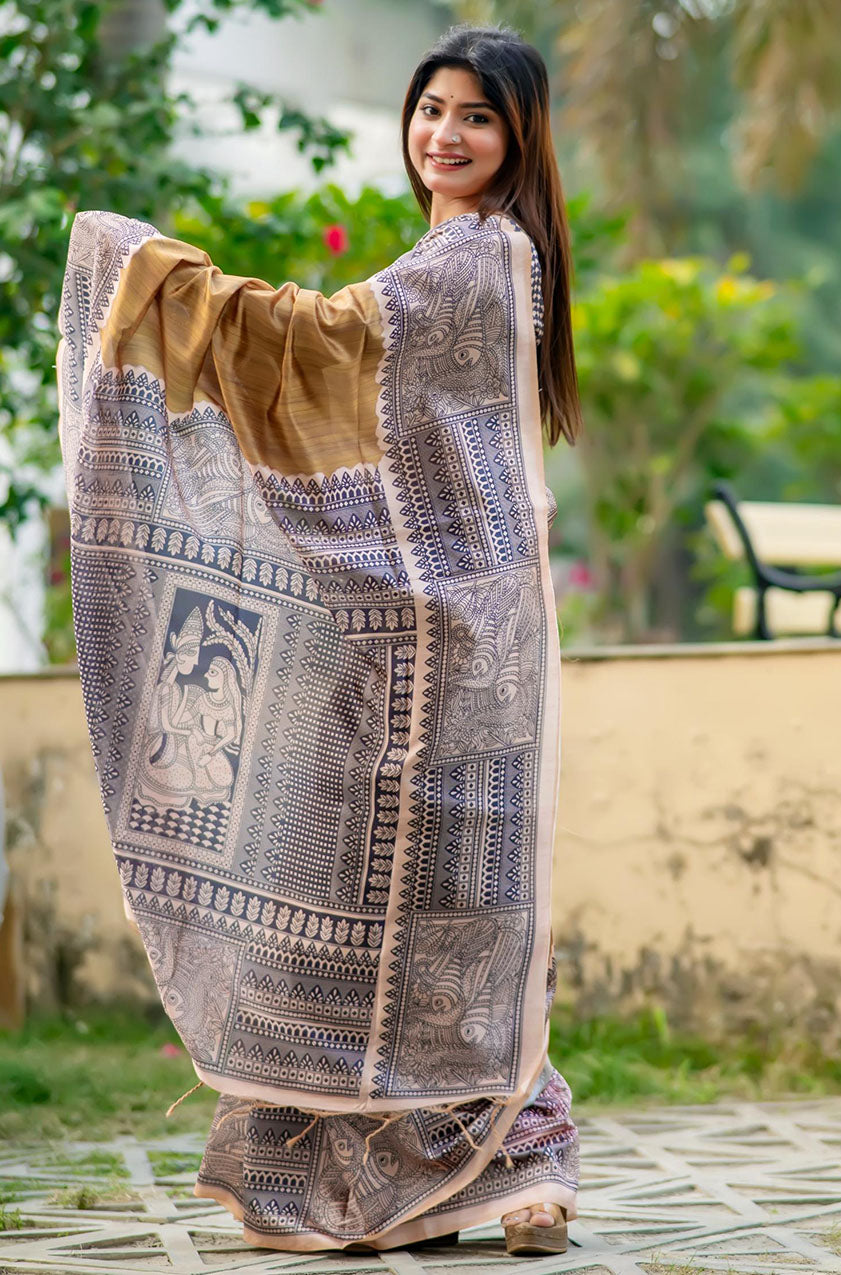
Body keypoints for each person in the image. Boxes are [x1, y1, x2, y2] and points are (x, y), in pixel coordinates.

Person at [57, 22, 582, 1256]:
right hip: (428, 653)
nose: (443, 135)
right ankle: (456, 1189)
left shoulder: (477, 262)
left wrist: (146, 275)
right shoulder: (456, 258)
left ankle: (521, 1171)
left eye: (475, 118)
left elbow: (318, 339)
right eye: (431, 109)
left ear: (519, 141)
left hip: (449, 658)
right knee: (414, 930)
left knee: (448, 927)